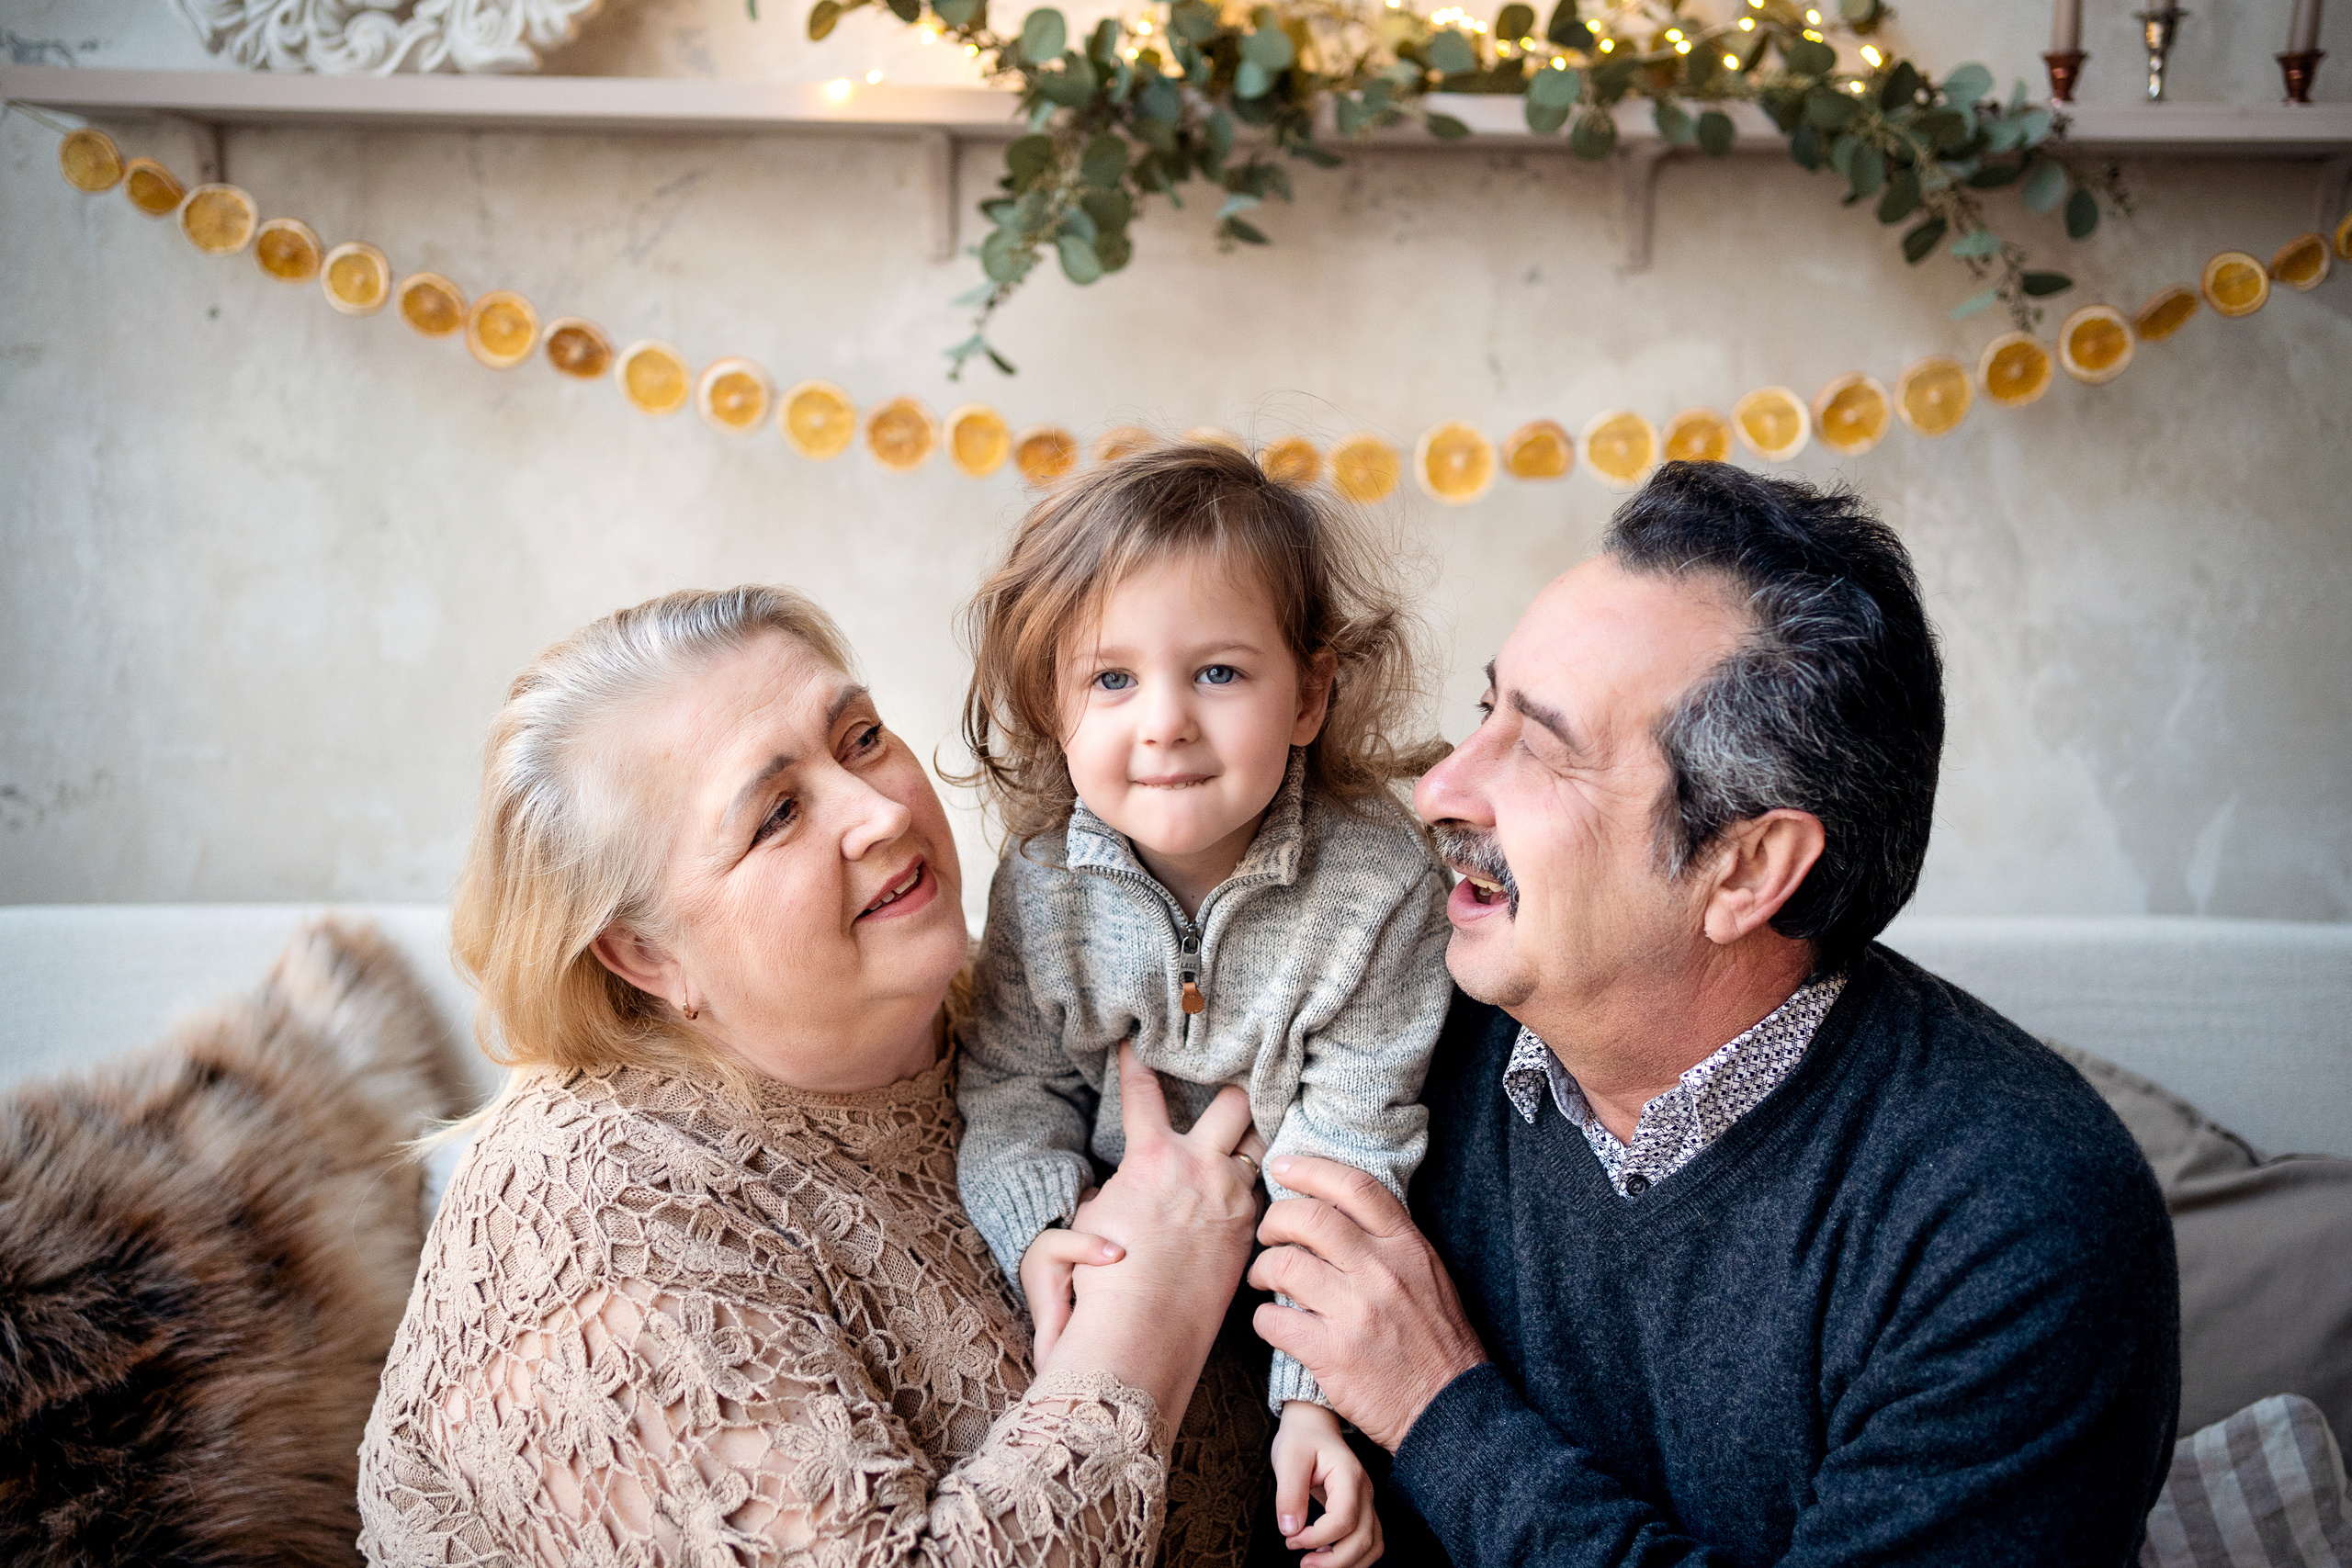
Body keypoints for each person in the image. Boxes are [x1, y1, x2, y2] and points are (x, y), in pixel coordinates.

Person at [1246, 463, 2183, 1565]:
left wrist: (1442, 1413)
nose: (1439, 788)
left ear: (1744, 869)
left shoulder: (2016, 1228)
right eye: (1484, 710)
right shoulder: (1389, 1045)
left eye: (1542, 747)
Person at [357, 585, 1268, 1568]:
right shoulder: (581, 1220)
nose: (879, 811)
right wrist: (1148, 1324)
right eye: (778, 812)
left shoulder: (1016, 1008)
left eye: (862, 737)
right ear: (644, 957)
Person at [953, 442, 1454, 1568]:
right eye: (1111, 679)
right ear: (1053, 703)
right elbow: (1008, 1085)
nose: (1165, 722)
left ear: (1309, 694)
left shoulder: (1379, 886)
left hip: (1299, 1283)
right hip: (1113, 1265)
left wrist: (1313, 1403)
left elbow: (1355, 1145)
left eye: (1217, 674)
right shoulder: (1042, 884)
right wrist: (1042, 1235)